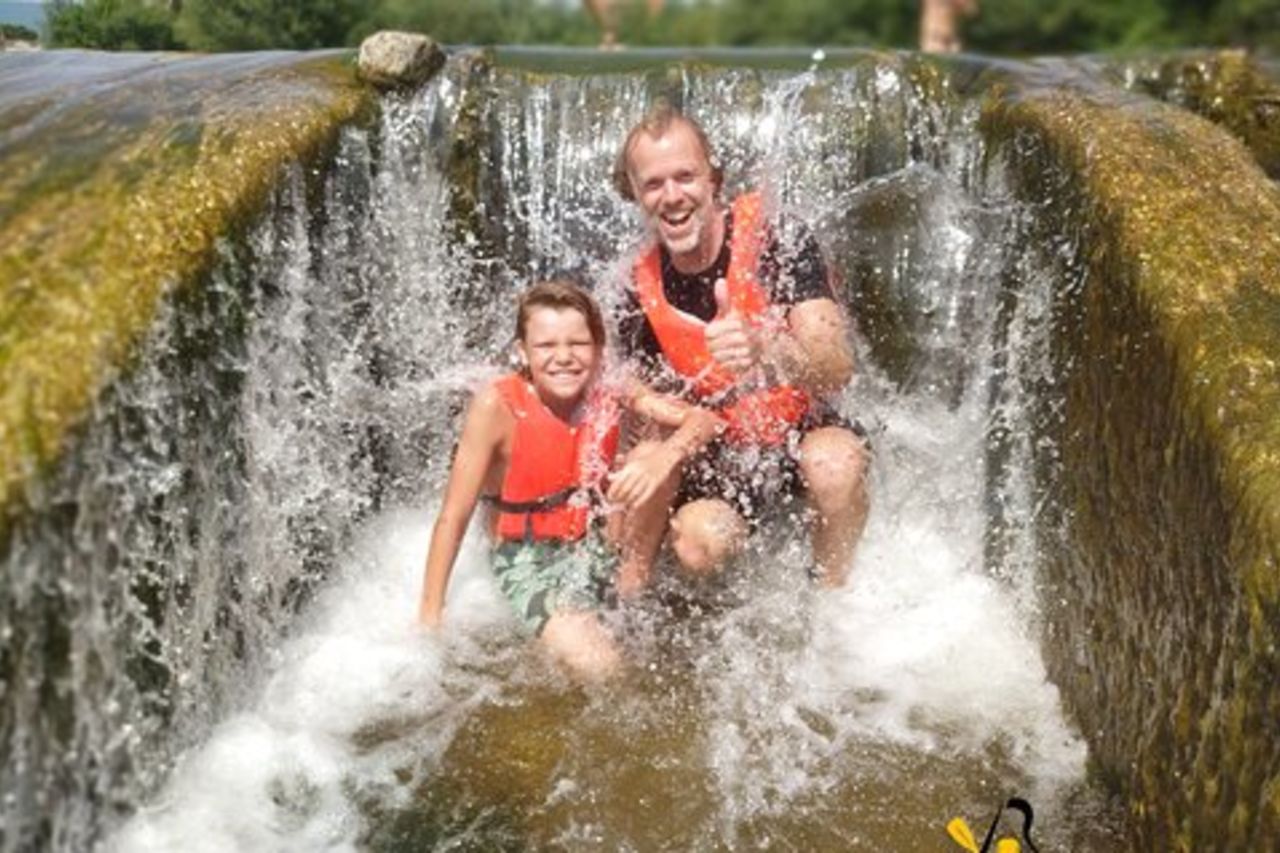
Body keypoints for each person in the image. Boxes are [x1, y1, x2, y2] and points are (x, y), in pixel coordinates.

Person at [609, 103, 870, 591]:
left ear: (714, 180)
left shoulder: (780, 240)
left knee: (836, 464)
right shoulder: (636, 286)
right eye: (653, 184)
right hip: (719, 457)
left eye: (685, 177)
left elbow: (837, 366)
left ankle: (834, 601)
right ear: (636, 196)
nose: (672, 196)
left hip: (798, 434)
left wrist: (767, 349)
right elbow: (642, 413)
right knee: (699, 542)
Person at [417, 280, 720, 680]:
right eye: (546, 346)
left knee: (655, 463)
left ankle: (632, 587)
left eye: (578, 344)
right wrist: (429, 619)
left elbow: (705, 420)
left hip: (596, 540)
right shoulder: (495, 406)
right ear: (523, 352)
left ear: (597, 351)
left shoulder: (610, 386)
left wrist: (663, 458)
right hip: (529, 558)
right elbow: (453, 517)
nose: (563, 358)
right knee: (602, 667)